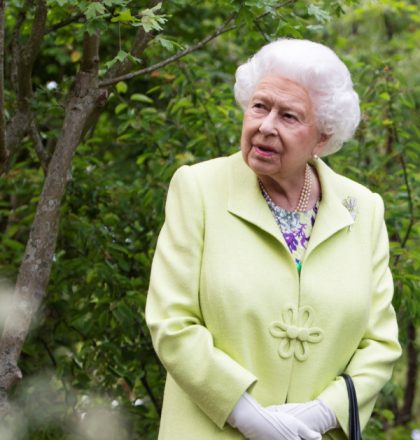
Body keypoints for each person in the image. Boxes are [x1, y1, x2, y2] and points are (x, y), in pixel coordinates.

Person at [145, 39, 401, 439]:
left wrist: (320, 414)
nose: (265, 126)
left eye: (289, 116)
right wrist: (249, 416)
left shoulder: (362, 209)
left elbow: (380, 343)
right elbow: (171, 322)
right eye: (260, 106)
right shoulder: (198, 188)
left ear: (322, 138)